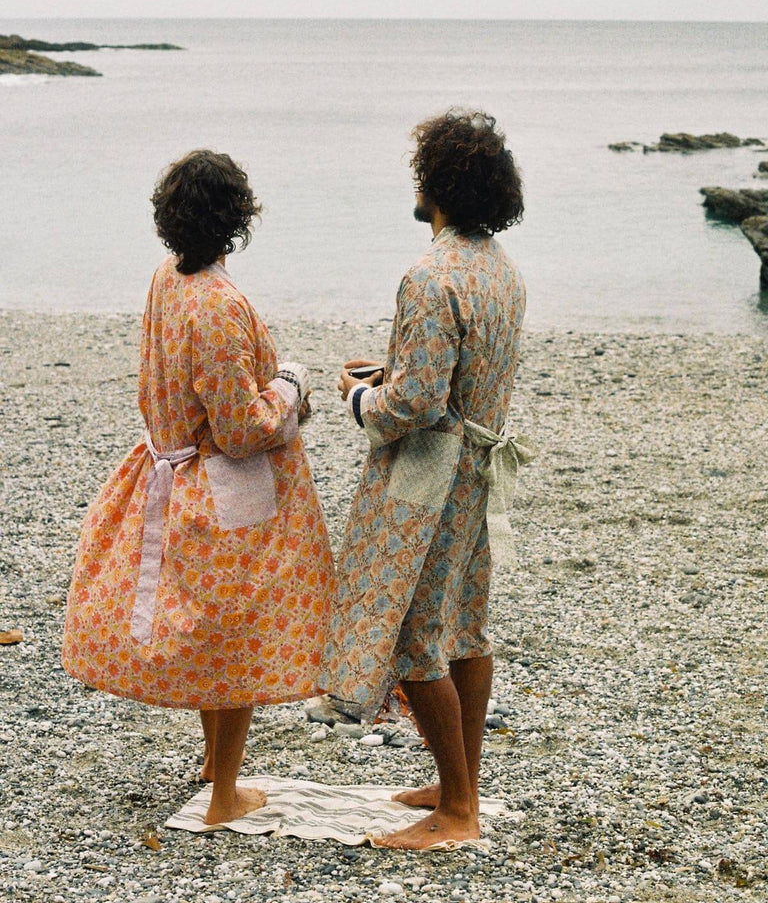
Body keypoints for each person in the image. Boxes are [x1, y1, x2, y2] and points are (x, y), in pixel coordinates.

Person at [62, 149, 335, 826]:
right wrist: (292, 388)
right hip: (219, 485)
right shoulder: (218, 302)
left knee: (214, 627)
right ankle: (223, 797)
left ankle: (217, 766)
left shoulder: (166, 280)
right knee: (235, 635)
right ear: (237, 218)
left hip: (173, 466)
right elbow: (242, 428)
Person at [323, 110, 527, 850]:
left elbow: (415, 404)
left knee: (415, 636)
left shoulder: (429, 275)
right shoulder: (500, 270)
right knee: (466, 627)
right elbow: (463, 381)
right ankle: (457, 783)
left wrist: (358, 395)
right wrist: (397, 375)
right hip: (478, 469)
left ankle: (459, 812)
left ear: (436, 184)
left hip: (428, 480)